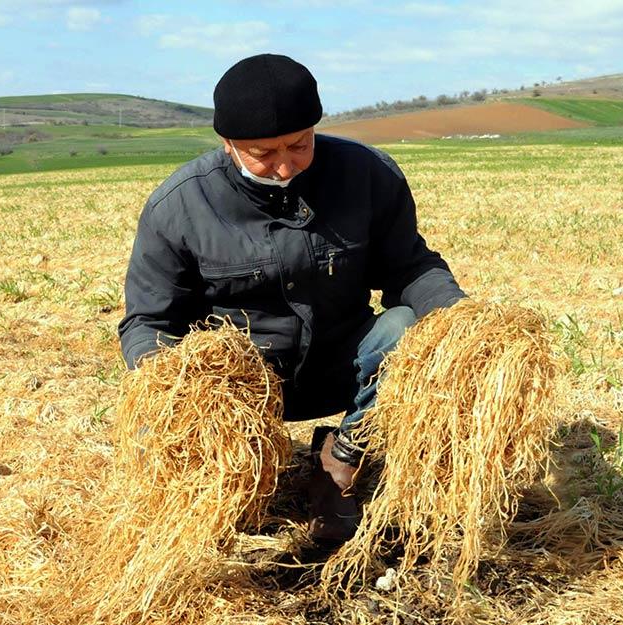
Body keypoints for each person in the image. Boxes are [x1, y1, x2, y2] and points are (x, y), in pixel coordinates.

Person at [118, 54, 465, 542]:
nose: (284, 166)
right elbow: (149, 322)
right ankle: (241, 472)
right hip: (243, 390)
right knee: (223, 521)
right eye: (262, 153)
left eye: (299, 145)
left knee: (407, 326)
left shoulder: (367, 175)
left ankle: (342, 460)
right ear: (228, 144)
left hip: (343, 365)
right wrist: (175, 390)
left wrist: (463, 319)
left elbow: (409, 266)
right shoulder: (179, 206)